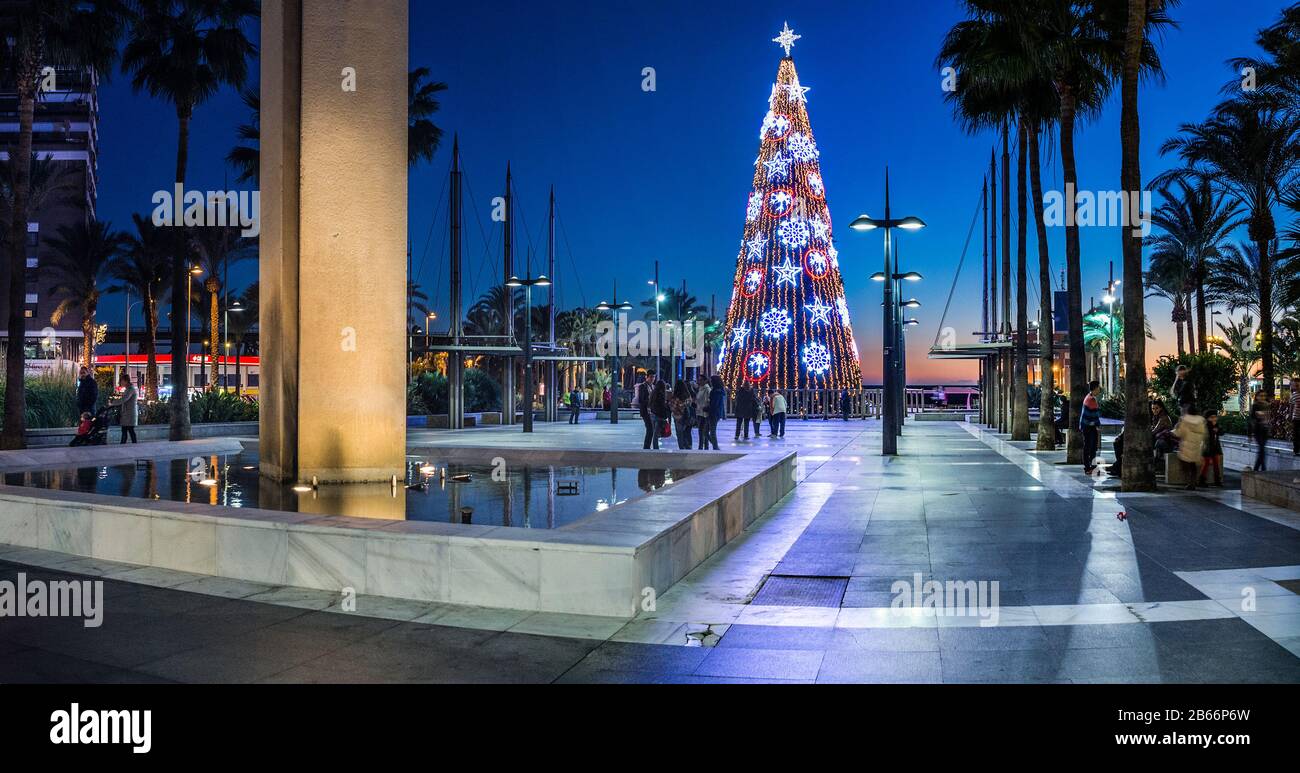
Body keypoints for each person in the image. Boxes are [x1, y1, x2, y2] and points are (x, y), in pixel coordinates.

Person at [1173, 405, 1207, 491]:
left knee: (1184, 464)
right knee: (1193, 466)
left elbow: (1179, 433)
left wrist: (1176, 428)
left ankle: (1188, 482)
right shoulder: (1201, 421)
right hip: (1196, 446)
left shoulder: (1184, 420)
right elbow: (1204, 434)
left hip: (1186, 447)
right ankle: (1193, 482)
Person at [1080, 380, 1104, 474]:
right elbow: (1095, 415)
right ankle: (1089, 467)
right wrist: (1098, 425)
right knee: (1090, 447)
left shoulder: (1089, 397)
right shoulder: (1091, 399)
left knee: (1090, 447)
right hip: (1089, 426)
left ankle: (1091, 466)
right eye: (1098, 387)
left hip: (1087, 425)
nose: (1099, 389)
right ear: (1095, 388)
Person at [112, 374, 139, 444]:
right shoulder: (128, 389)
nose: (120, 383)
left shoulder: (130, 389)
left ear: (125, 381)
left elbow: (124, 399)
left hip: (129, 414)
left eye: (121, 381)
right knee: (127, 430)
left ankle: (126, 444)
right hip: (127, 414)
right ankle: (129, 444)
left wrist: (113, 403)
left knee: (128, 430)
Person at [1249, 391, 1272, 471]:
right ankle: (1263, 468)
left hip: (1265, 430)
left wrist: (1269, 429)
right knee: (1262, 448)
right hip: (1257, 430)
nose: (1262, 397)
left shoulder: (1267, 405)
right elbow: (1251, 420)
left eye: (1264, 396)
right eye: (1261, 396)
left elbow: (1268, 418)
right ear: (1257, 397)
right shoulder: (1255, 406)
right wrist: (1250, 434)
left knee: (1262, 449)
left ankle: (1257, 468)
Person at [1200, 411, 1224, 487]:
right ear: (1207, 418)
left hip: (1215, 448)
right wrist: (1212, 430)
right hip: (1207, 448)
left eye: (1215, 417)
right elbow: (1205, 436)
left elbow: (1222, 432)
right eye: (1211, 417)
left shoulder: (1217, 425)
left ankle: (1217, 480)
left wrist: (1218, 430)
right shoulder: (1205, 426)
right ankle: (1202, 480)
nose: (1214, 419)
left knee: (1216, 464)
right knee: (1206, 463)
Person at [670, 381, 694, 450]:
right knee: (687, 433)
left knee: (680, 434)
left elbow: (673, 408)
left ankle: (682, 449)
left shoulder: (675, 397)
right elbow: (690, 404)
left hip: (678, 418)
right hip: (688, 417)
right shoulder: (688, 395)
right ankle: (689, 447)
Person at [637, 373, 658, 449]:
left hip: (652, 411)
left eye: (654, 377)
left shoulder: (653, 387)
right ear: (647, 377)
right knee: (650, 429)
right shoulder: (642, 386)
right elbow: (641, 399)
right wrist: (650, 400)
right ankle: (646, 447)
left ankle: (647, 446)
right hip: (645, 411)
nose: (653, 379)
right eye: (651, 377)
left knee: (651, 429)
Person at [706, 375, 725, 450]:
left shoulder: (716, 392)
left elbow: (714, 404)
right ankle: (715, 445)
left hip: (714, 413)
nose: (710, 382)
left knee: (711, 431)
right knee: (707, 431)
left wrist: (708, 408)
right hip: (715, 413)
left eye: (711, 380)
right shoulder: (718, 391)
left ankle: (715, 446)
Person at [650, 379, 670, 448]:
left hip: (653, 414)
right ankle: (656, 447)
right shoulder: (661, 394)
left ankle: (655, 446)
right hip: (659, 416)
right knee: (656, 433)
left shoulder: (653, 393)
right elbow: (662, 406)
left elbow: (650, 403)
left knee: (655, 433)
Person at [1291, 382, 1300, 455]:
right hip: (1296, 418)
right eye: (1296, 385)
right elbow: (1291, 406)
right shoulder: (1293, 395)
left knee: (1297, 434)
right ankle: (1296, 450)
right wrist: (1291, 416)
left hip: (1295, 418)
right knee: (1296, 435)